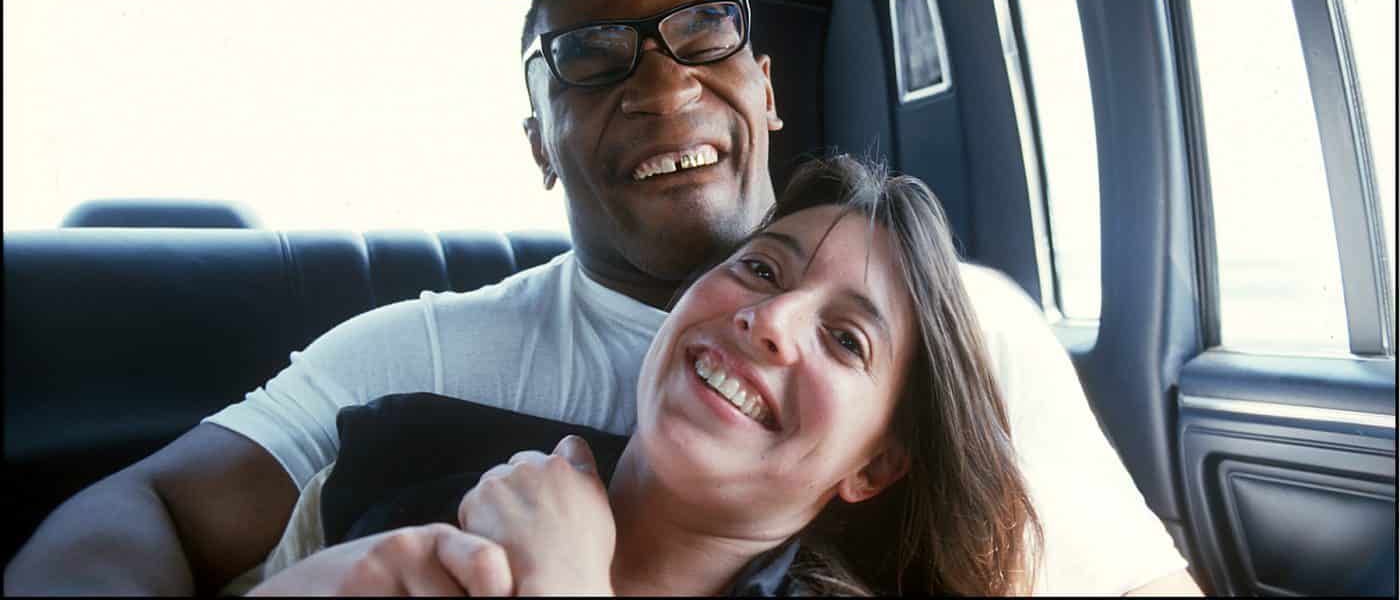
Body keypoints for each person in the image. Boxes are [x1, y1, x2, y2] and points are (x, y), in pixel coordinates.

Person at [5, 0, 1199, 595]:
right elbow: (148, 505)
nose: (664, 82)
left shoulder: (968, 330)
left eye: (703, 36)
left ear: (764, 91)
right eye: (588, 59)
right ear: (539, 146)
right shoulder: (416, 363)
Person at [250, 154, 1044, 596]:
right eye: (762, 270)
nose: (769, 320)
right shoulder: (383, 466)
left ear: (873, 467)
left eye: (844, 339)